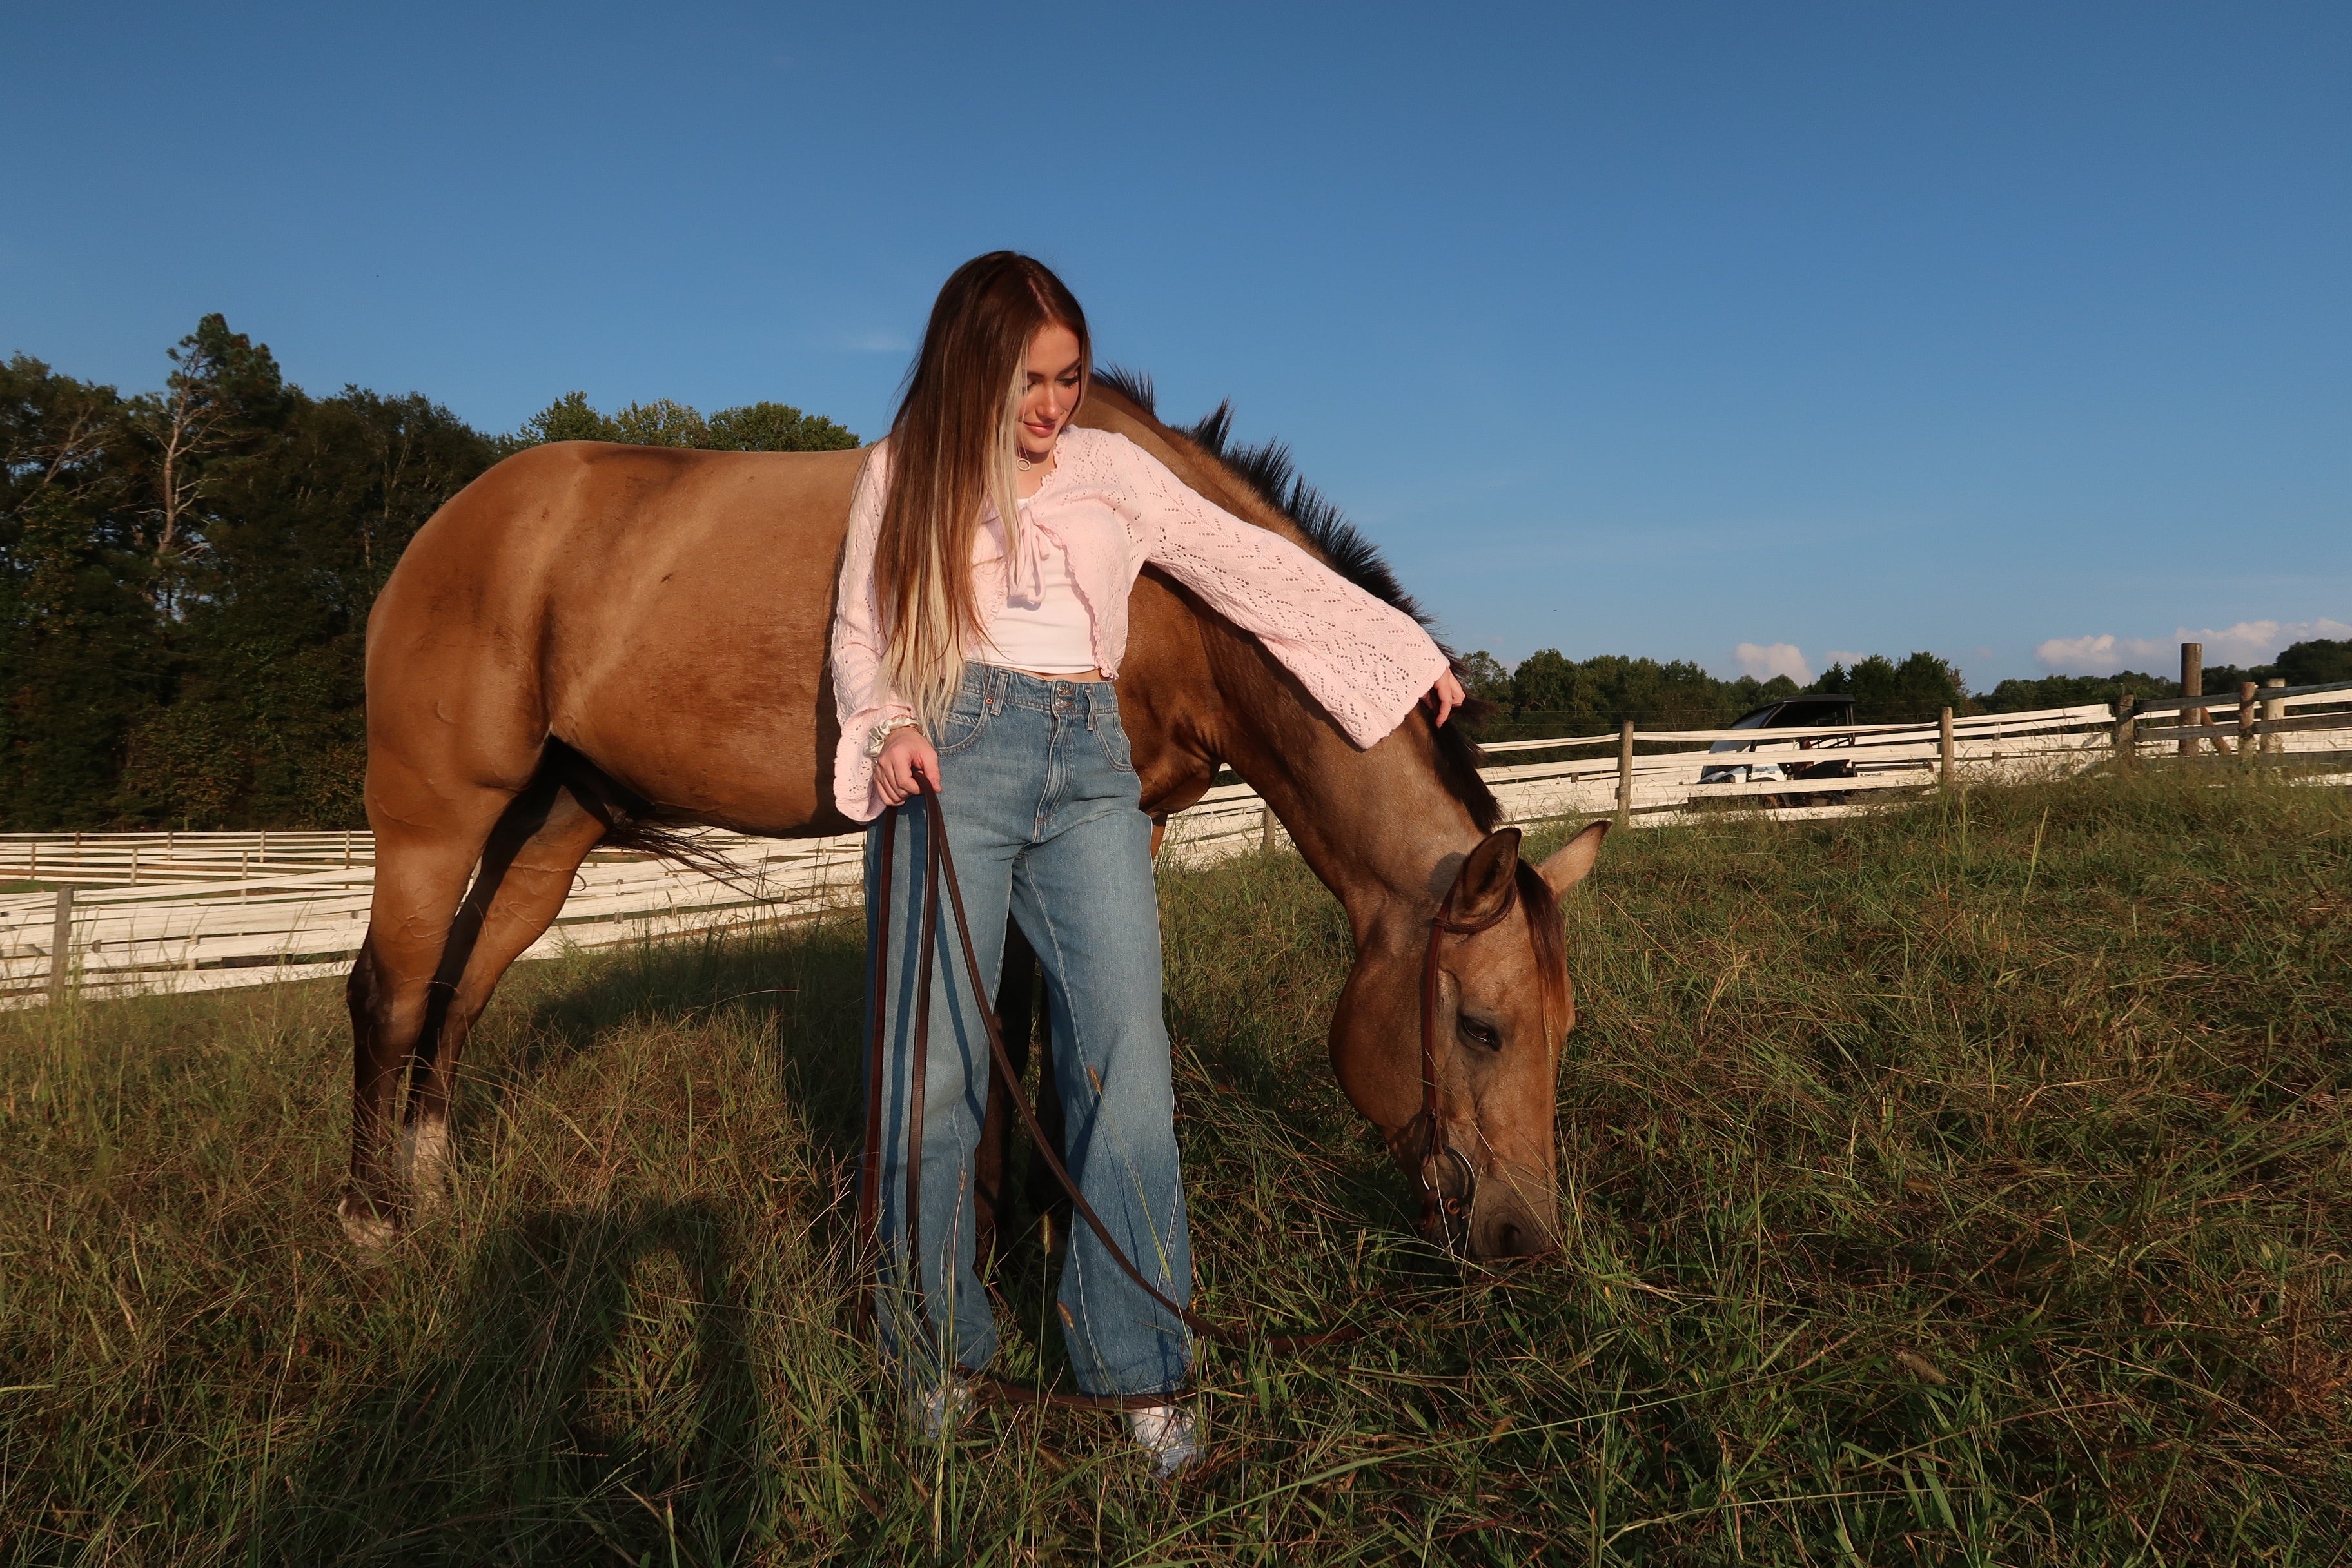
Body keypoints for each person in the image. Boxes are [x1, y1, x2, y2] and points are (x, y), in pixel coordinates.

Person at [828, 251, 1463, 1478]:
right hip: (950, 754)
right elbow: (862, 633)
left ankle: (1144, 1372)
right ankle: (933, 1356)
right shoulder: (902, 472)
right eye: (1028, 380)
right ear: (970, 369)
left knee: (1129, 1067)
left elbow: (1253, 568)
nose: (1052, 404)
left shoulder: (1114, 473)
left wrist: (1400, 650)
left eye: (1068, 377)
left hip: (1089, 762)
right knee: (933, 1073)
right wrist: (890, 724)